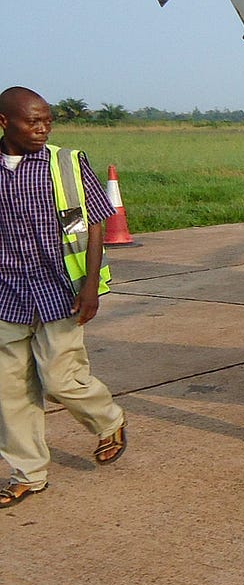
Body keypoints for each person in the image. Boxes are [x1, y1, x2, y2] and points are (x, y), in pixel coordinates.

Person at [0, 87, 126, 509]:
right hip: (6, 294)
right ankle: (27, 473)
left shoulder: (67, 162)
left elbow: (95, 224)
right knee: (10, 389)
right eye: (32, 122)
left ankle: (109, 419)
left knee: (60, 379)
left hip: (59, 292)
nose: (42, 129)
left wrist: (90, 285)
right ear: (4, 123)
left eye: (47, 121)